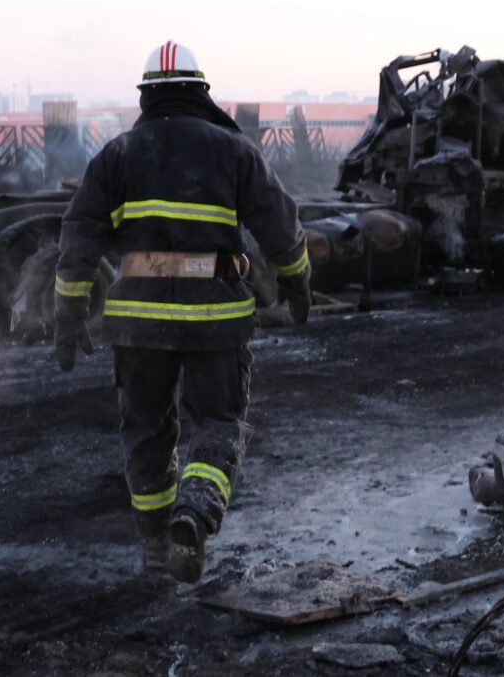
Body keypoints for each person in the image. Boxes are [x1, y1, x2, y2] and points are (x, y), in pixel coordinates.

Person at [53, 41, 311, 583]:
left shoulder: (117, 154)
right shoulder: (233, 149)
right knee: (217, 420)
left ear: (146, 94)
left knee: (146, 429)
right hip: (214, 316)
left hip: (138, 320)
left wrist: (68, 310)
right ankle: (193, 513)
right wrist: (297, 279)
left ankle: (155, 546)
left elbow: (79, 234)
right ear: (201, 91)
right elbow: (279, 222)